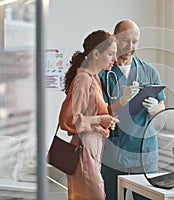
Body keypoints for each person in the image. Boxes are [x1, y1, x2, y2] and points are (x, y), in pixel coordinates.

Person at [99, 20, 166, 200]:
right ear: (114, 39)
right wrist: (122, 101)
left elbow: (162, 107)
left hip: (145, 155)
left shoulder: (149, 71)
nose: (130, 46)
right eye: (125, 41)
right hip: (114, 153)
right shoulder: (103, 73)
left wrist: (154, 109)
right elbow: (101, 113)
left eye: (135, 41)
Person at [59, 29, 119, 200]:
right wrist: (100, 119)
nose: (114, 59)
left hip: (93, 147)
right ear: (96, 54)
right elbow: (68, 120)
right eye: (110, 54)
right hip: (84, 148)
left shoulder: (93, 78)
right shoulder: (84, 79)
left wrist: (105, 120)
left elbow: (91, 113)